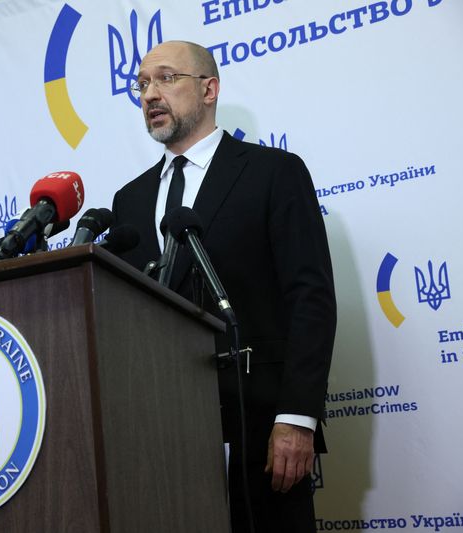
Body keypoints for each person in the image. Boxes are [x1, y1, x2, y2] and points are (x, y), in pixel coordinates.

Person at [110, 40, 337, 532]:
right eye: (143, 83)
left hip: (261, 431)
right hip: (163, 441)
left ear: (209, 89)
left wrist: (297, 417)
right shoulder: (128, 200)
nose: (151, 93)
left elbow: (310, 299)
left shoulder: (273, 172)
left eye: (167, 78)